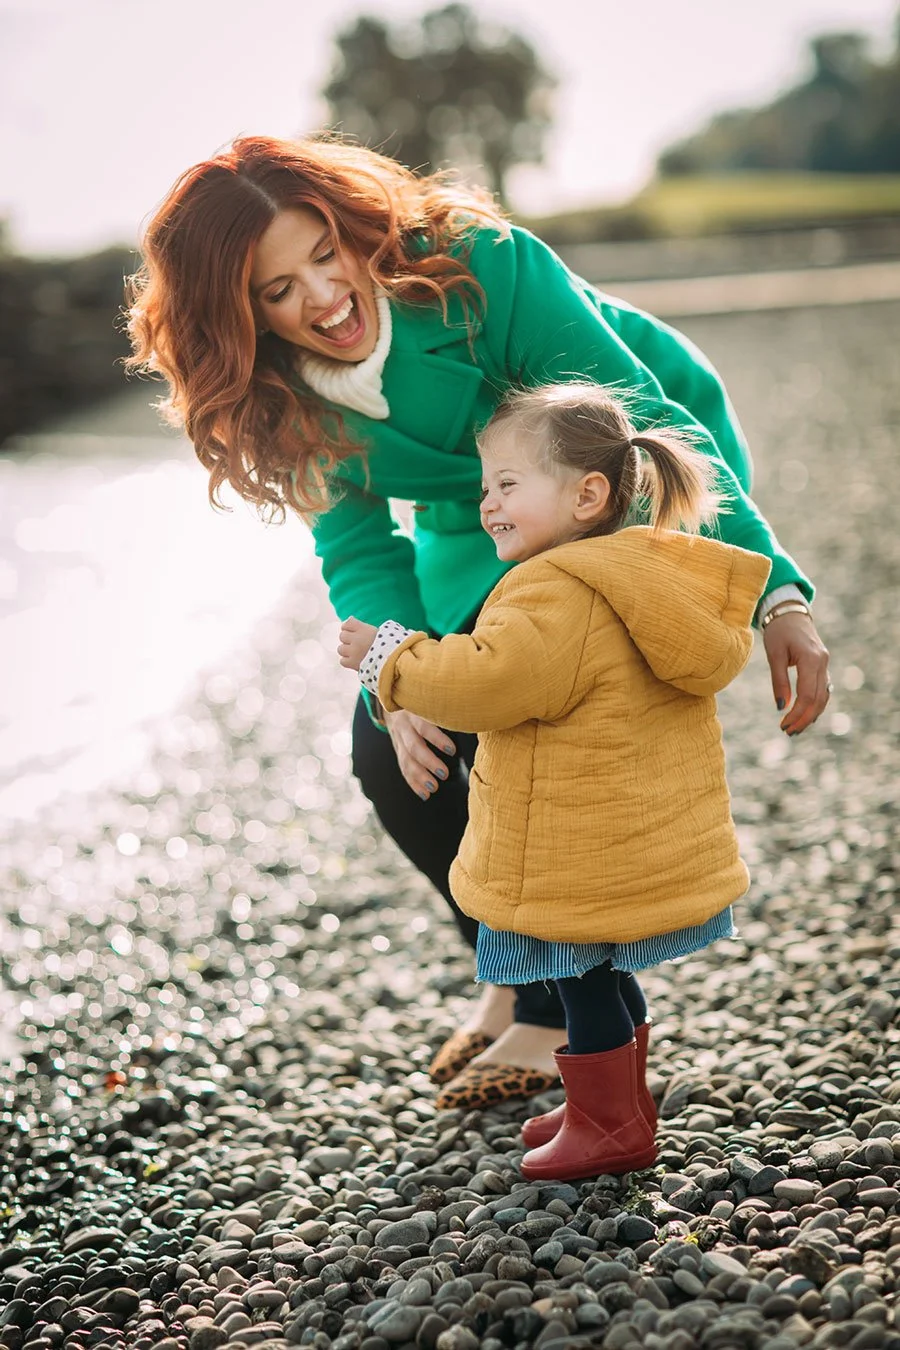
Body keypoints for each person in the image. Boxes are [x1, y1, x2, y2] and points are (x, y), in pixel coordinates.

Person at [126, 134, 830, 1108]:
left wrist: (776, 593)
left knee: (533, 714)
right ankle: (513, 974)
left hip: (622, 465)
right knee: (394, 746)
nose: (323, 299)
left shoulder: (478, 266)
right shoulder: (276, 396)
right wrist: (394, 672)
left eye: (324, 253)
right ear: (236, 317)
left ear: (348, 224)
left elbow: (653, 418)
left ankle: (564, 1019)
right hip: (481, 512)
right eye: (276, 291)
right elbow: (363, 551)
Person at [338, 382, 771, 1178]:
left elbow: (489, 682)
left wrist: (388, 659)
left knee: (579, 978)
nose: (487, 505)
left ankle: (610, 1125)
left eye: (507, 485)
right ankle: (617, 1107)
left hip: (567, 841)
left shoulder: (551, 587)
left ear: (588, 494)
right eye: (483, 489)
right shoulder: (640, 571)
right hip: (619, 829)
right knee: (605, 972)